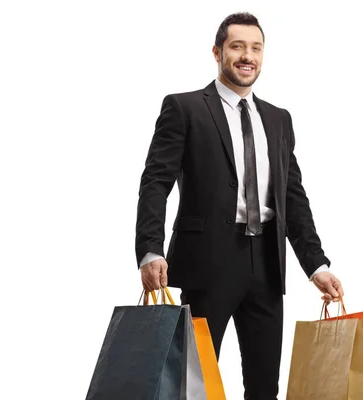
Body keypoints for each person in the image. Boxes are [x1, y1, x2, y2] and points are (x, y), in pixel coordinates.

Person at [135, 12, 344, 399]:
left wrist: (316, 264)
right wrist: (150, 249)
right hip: (207, 261)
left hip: (266, 264)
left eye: (256, 48)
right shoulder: (184, 109)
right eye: (237, 46)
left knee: (265, 386)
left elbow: (292, 198)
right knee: (191, 382)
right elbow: (155, 182)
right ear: (217, 52)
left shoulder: (279, 120)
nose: (247, 56)